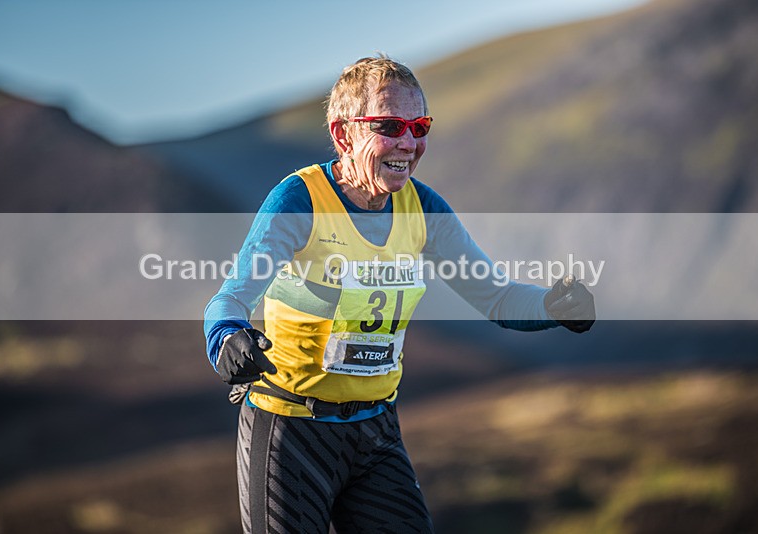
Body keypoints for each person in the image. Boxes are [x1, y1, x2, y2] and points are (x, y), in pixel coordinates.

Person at [203, 55, 595, 533]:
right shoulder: (299, 200)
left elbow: (495, 297)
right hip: (291, 430)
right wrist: (226, 337)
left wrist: (554, 306)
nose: (408, 143)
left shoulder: (423, 208)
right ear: (343, 134)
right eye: (390, 125)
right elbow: (231, 297)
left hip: (376, 433)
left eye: (420, 126)